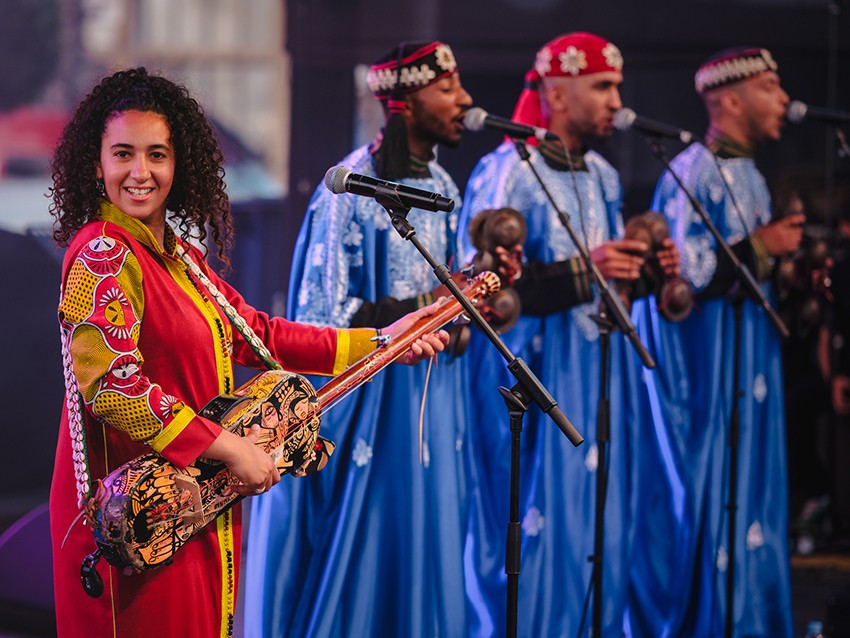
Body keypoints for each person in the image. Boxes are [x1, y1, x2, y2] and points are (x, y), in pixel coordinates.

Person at [48, 67, 448, 638]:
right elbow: (112, 385)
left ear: (179, 163)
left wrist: (383, 339)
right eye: (123, 154)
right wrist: (230, 448)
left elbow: (257, 333)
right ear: (96, 164)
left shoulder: (177, 257)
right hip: (136, 515)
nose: (140, 172)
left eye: (157, 154)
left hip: (190, 498)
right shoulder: (103, 252)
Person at [243, 41, 475, 638]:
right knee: (364, 554)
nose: (464, 100)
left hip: (431, 399)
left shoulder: (442, 184)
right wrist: (425, 308)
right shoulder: (347, 191)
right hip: (368, 409)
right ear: (405, 102)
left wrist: (465, 313)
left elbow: (449, 297)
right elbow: (321, 318)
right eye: (446, 88)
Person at [459, 32, 679, 637]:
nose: (617, 101)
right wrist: (588, 270)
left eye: (618, 87)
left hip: (600, 371)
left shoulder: (604, 175)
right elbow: (483, 293)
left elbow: (606, 278)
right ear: (556, 93)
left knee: (602, 525)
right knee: (537, 526)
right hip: (533, 379)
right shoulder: (508, 171)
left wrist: (644, 271)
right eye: (603, 86)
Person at [626, 47, 801, 637]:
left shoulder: (751, 173)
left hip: (751, 356)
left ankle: (753, 617)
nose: (783, 99)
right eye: (770, 86)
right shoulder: (695, 171)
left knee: (755, 488)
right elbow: (685, 279)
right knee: (716, 486)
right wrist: (761, 247)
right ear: (731, 100)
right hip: (710, 365)